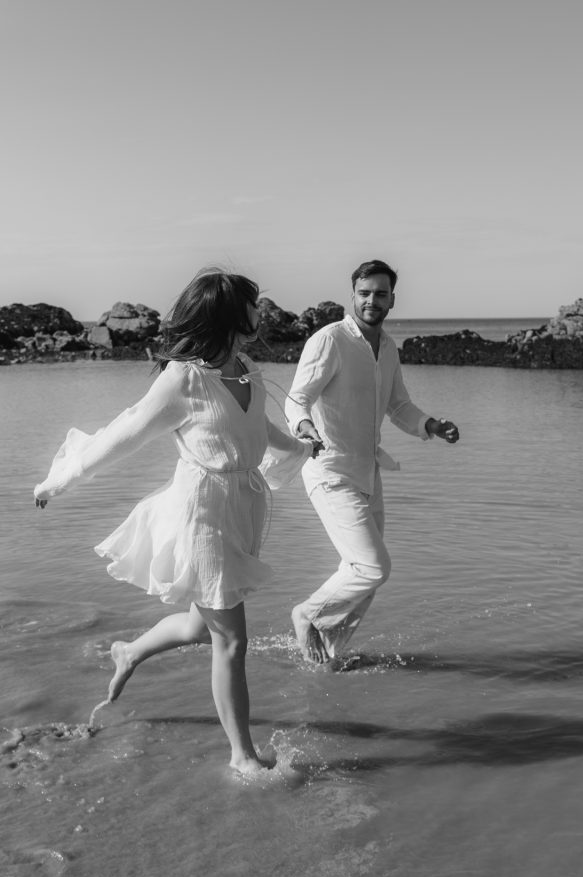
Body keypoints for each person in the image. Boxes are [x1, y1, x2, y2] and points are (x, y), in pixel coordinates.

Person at [34, 267, 317, 778]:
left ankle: (129, 651)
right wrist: (59, 481)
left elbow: (260, 427)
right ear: (230, 313)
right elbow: (124, 434)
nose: (263, 311)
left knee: (201, 625)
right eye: (255, 304)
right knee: (231, 638)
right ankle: (242, 757)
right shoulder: (184, 378)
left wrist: (299, 447)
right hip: (203, 511)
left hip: (243, 504)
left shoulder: (246, 366)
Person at [285, 258, 459, 665]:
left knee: (366, 579)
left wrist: (430, 424)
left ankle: (324, 659)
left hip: (368, 473)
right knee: (371, 567)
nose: (372, 301)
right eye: (364, 293)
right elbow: (297, 398)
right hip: (329, 471)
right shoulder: (330, 340)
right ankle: (307, 613)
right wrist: (304, 427)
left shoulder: (388, 347)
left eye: (380, 294)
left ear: (392, 299)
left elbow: (398, 406)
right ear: (353, 296)